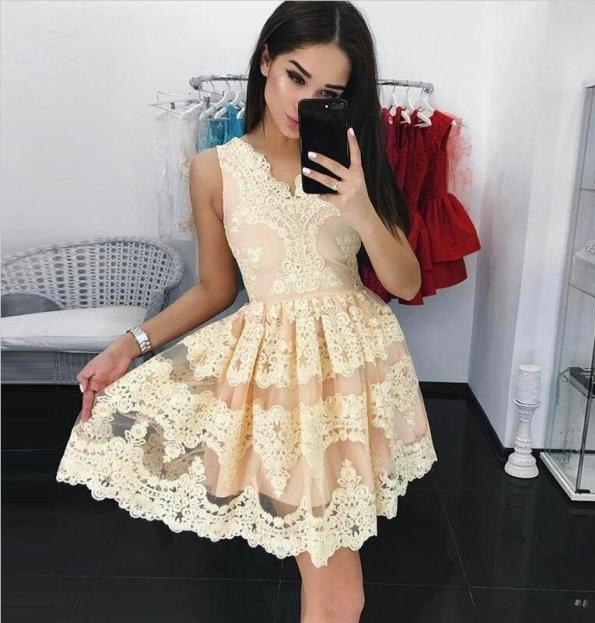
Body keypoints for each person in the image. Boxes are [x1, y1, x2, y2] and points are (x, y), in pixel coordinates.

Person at [57, 3, 438, 622]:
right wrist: (128, 345)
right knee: (333, 581)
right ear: (265, 61)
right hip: (276, 380)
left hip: (350, 376)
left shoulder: (354, 161)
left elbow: (407, 280)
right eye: (295, 76)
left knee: (334, 581)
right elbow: (215, 289)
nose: (304, 102)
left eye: (328, 94)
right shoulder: (212, 169)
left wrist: (360, 205)